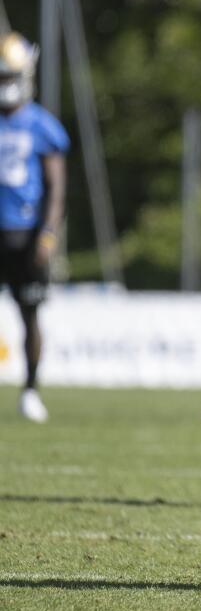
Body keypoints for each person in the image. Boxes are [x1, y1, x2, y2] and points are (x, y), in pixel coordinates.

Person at [0, 31, 68, 424]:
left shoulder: (41, 125)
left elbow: (56, 187)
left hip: (25, 235)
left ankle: (30, 390)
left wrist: (48, 232)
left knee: (29, 315)